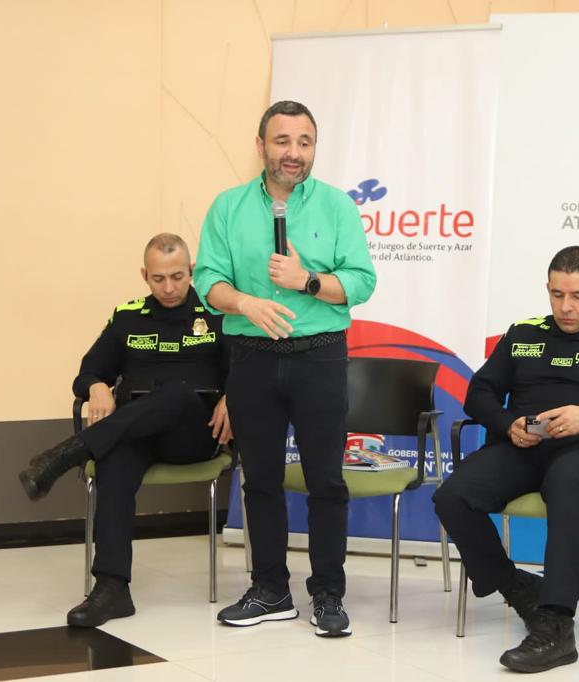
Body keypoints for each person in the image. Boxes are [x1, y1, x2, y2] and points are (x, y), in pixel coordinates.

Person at [194, 100, 376, 638]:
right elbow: (208, 279)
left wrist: (307, 281)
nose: (294, 153)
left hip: (319, 355)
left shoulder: (337, 207)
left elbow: (361, 282)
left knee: (325, 481)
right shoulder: (227, 207)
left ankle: (328, 594)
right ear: (261, 146)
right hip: (251, 356)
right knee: (260, 480)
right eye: (282, 141)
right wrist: (244, 303)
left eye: (304, 142)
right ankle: (270, 589)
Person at [433, 246, 579, 673]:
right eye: (557, 294)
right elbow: (479, 393)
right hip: (522, 447)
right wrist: (508, 424)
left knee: (567, 479)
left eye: (578, 296)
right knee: (452, 496)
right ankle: (517, 587)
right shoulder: (523, 334)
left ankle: (555, 625)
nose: (566, 306)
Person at [18, 233, 231, 627]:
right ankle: (112, 588)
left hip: (195, 434)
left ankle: (68, 453)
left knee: (177, 394)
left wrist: (233, 397)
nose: (169, 287)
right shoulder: (127, 316)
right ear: (144, 275)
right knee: (114, 459)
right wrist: (97, 387)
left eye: (178, 277)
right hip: (138, 434)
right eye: (158, 278)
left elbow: (249, 373)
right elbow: (87, 372)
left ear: (191, 271)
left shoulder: (218, 313)